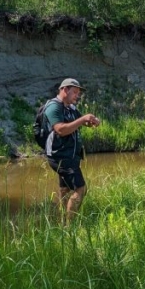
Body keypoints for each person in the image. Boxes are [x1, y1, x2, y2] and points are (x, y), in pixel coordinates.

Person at [44, 78, 100, 224]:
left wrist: (90, 121)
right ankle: (69, 227)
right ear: (65, 90)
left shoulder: (71, 108)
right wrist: (82, 120)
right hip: (61, 156)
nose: (77, 96)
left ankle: (62, 220)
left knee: (65, 189)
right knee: (81, 189)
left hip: (70, 155)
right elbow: (61, 130)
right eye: (75, 92)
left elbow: (80, 121)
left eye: (78, 93)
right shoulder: (53, 107)